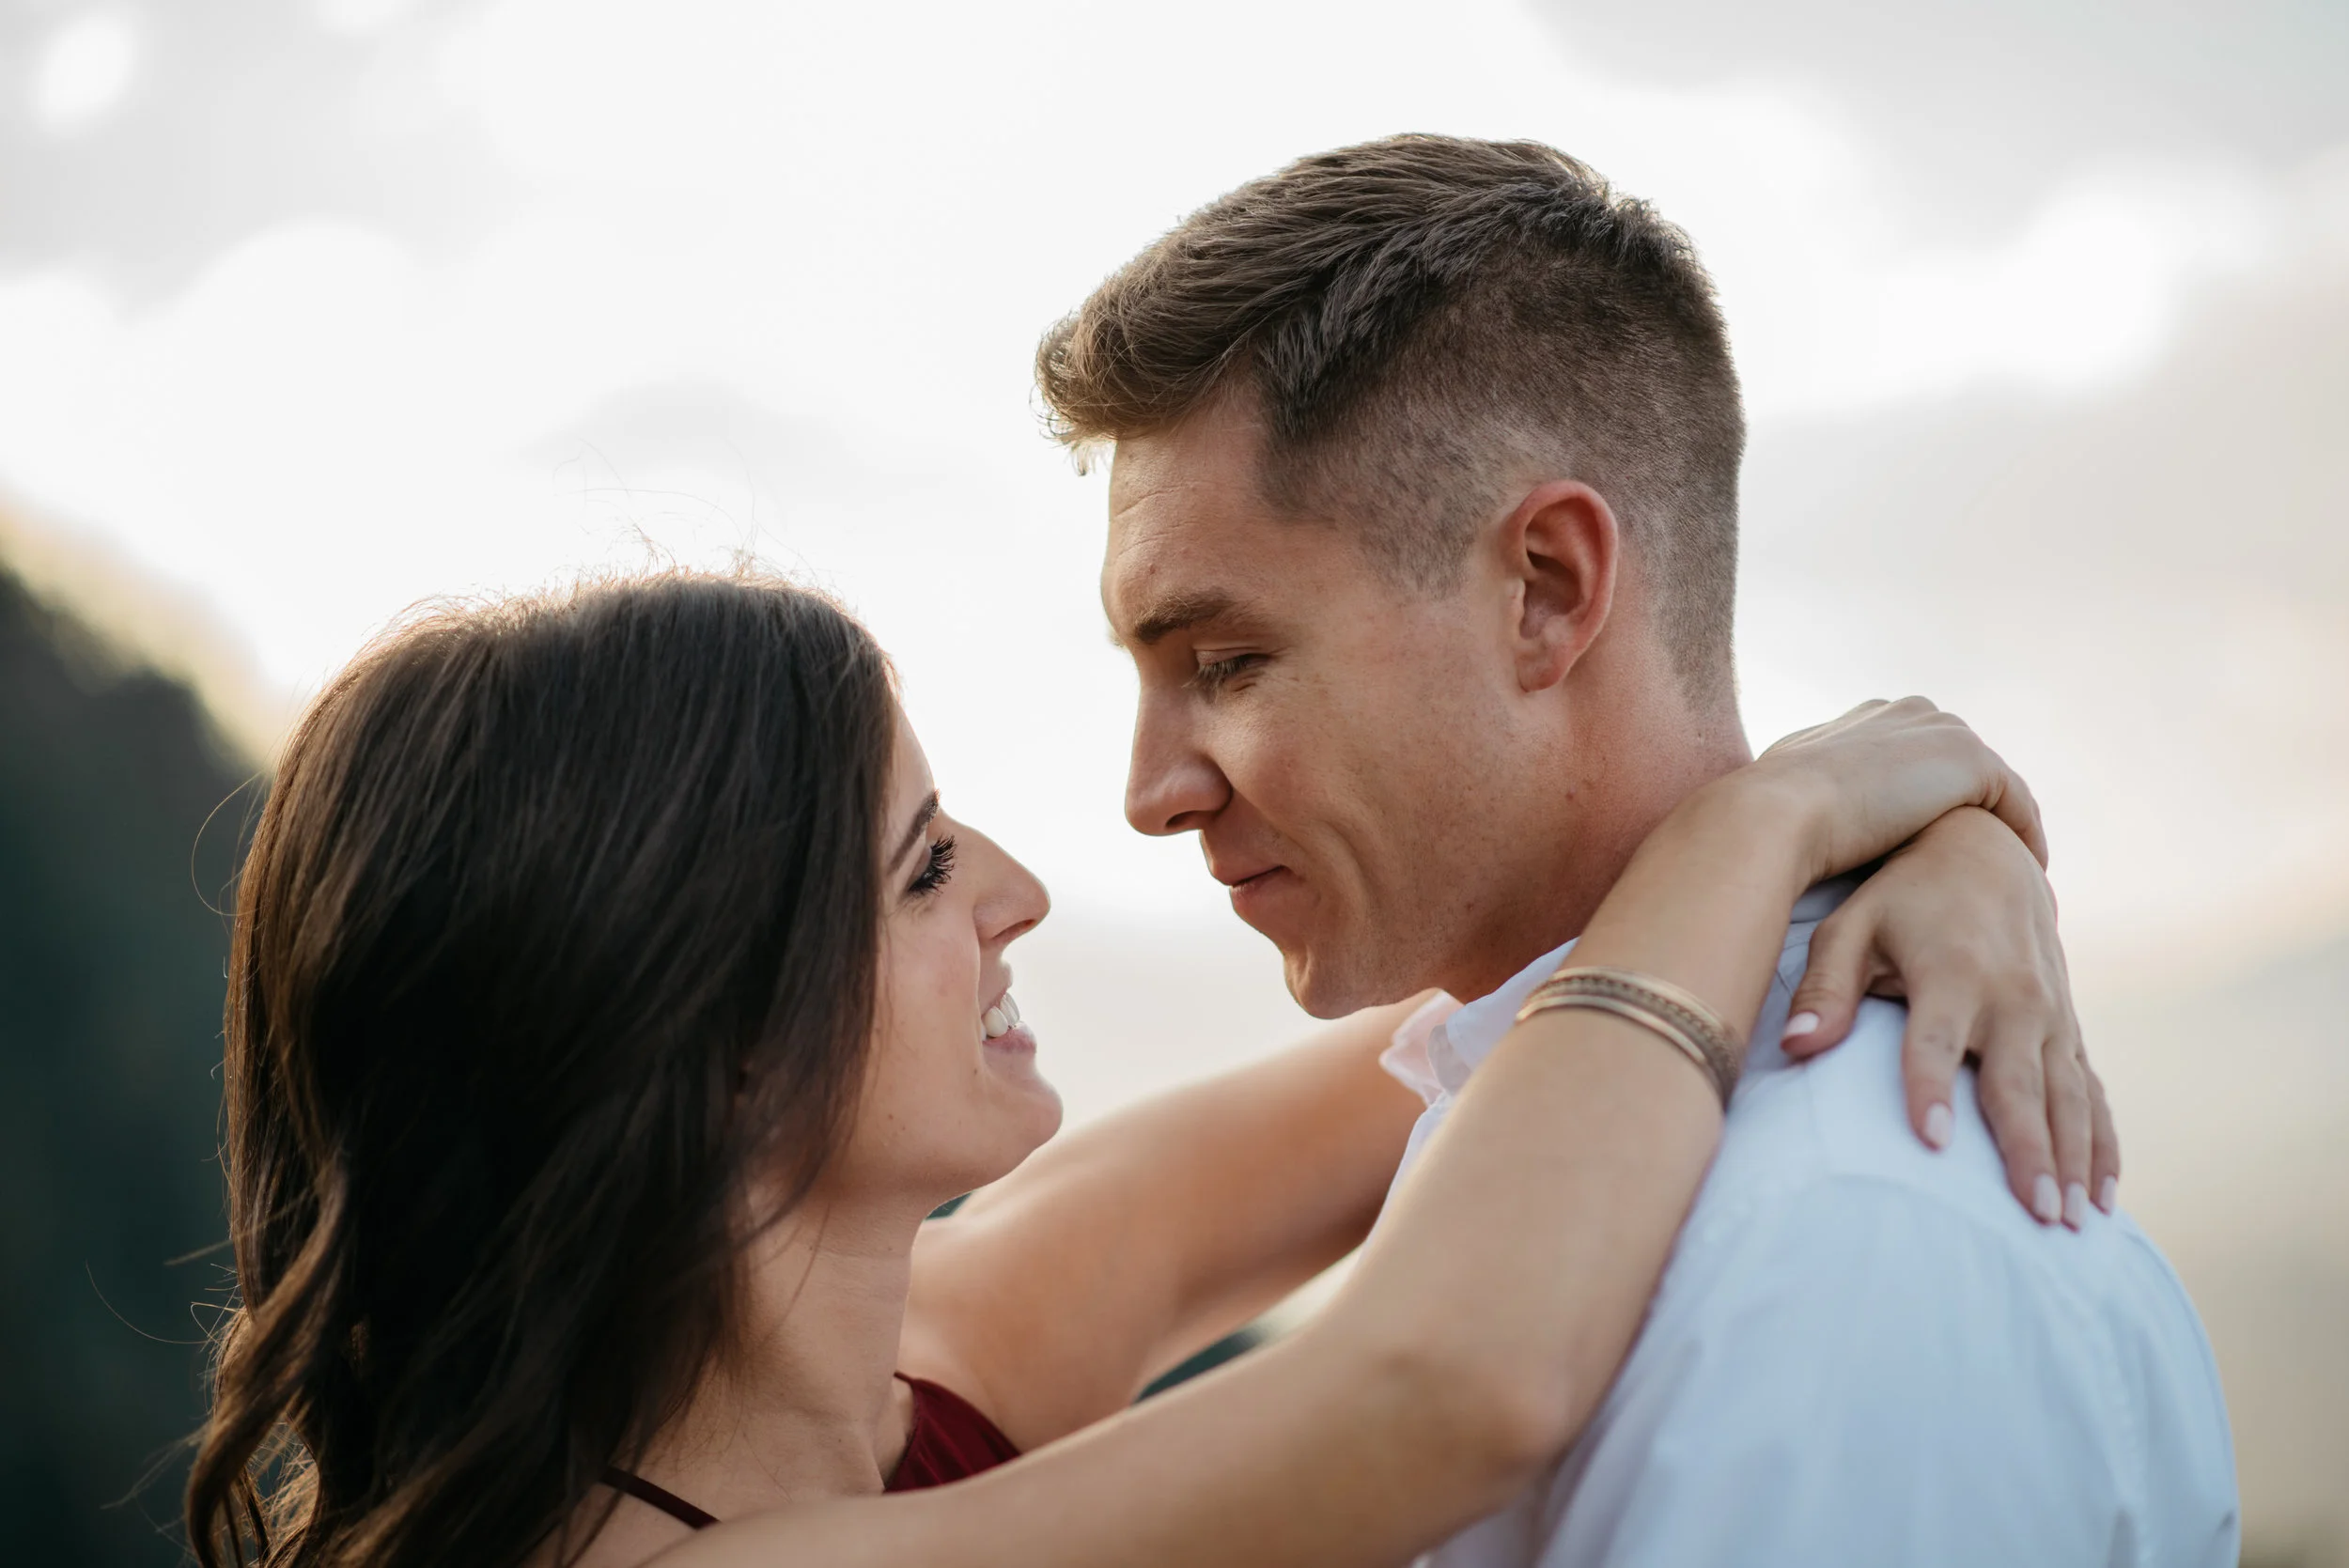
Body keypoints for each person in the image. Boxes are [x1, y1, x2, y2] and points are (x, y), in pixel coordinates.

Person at [189, 573, 2092, 1568]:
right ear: (706, 1047)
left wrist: (1930, 848)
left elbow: (1532, 1032)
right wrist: (1783, 821)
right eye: (921, 870)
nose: (1018, 892)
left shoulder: (935, 1362)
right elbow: (1453, 1379)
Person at [1038, 133, 2238, 1563]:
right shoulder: (1529, 1116)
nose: (1151, 794)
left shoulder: (1836, 1240)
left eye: (1228, 662)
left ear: (1546, 590)